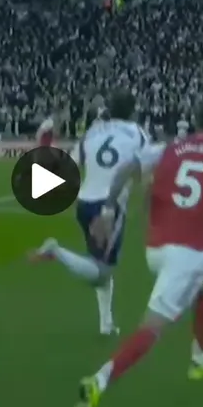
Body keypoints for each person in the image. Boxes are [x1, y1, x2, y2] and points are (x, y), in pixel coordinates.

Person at [73, 99, 203, 407]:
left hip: (156, 248)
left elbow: (126, 169)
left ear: (196, 123)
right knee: (152, 327)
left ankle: (198, 359)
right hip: (188, 253)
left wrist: (108, 209)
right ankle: (99, 381)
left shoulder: (171, 147)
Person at [28, 90, 146, 336]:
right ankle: (56, 251)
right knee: (101, 272)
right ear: (133, 111)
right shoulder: (138, 133)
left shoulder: (93, 133)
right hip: (109, 207)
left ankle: (106, 323)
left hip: (84, 203)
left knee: (99, 263)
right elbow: (142, 170)